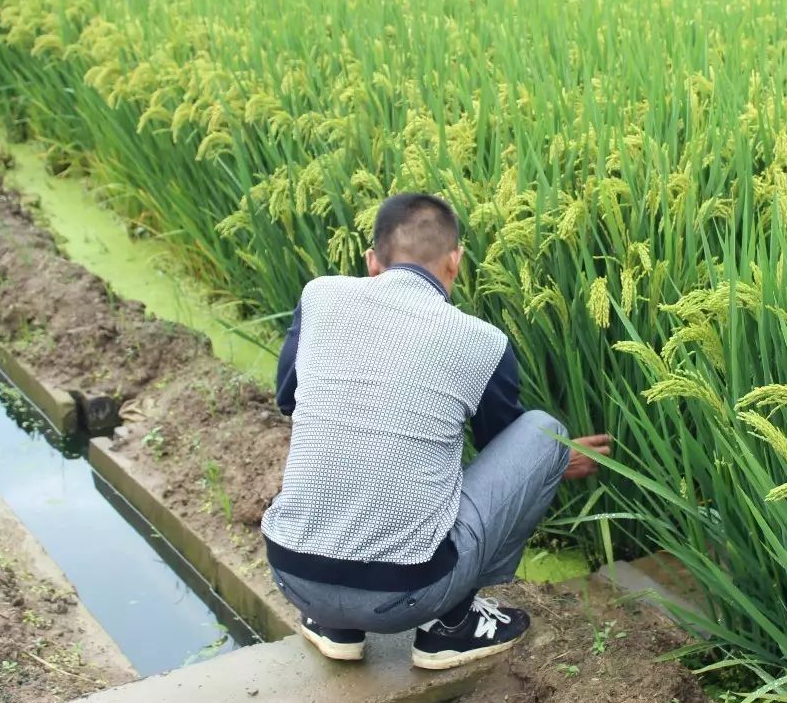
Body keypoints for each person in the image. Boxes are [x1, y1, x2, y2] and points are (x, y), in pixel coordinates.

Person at [261, 192, 611, 670]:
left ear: (371, 261)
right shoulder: (484, 341)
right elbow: (502, 450)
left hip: (292, 576)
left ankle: (334, 624)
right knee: (542, 430)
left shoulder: (319, 295)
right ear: (456, 262)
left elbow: (288, 398)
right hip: (409, 594)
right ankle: (451, 625)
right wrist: (555, 456)